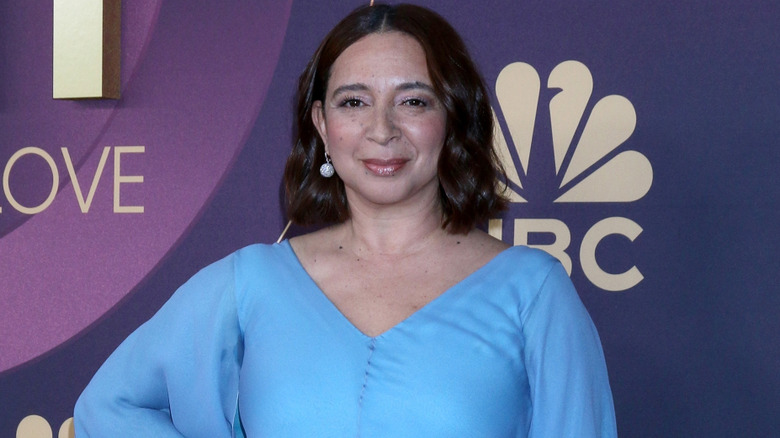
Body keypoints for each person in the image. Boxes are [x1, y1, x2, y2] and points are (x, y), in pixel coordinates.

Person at [75, 3, 617, 437]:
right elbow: (108, 408)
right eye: (354, 102)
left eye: (414, 102)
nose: (381, 130)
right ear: (321, 124)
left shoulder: (532, 294)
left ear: (452, 119)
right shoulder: (252, 284)